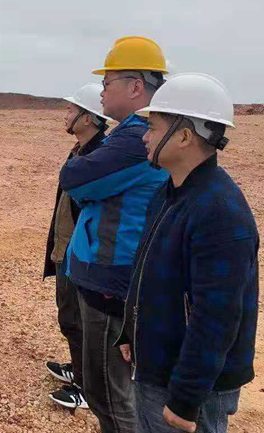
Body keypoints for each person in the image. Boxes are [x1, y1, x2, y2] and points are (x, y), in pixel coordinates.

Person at [118, 73, 259, 433]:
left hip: (189, 388)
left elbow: (217, 317)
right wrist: (131, 334)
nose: (145, 137)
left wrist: (185, 400)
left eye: (152, 127)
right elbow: (147, 273)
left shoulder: (220, 211)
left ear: (183, 136)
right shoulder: (169, 193)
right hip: (157, 369)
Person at [61, 36, 170, 432]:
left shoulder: (134, 138)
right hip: (108, 275)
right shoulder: (135, 133)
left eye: (107, 82)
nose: (102, 91)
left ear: (135, 86)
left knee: (110, 396)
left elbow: (75, 179)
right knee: (104, 390)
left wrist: (86, 182)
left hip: (111, 280)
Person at [43, 84, 109, 410]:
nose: (66, 114)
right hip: (67, 247)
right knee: (69, 315)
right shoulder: (80, 151)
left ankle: (87, 387)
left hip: (79, 253)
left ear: (88, 118)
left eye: (71, 110)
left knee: (79, 320)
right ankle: (80, 368)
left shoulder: (100, 157)